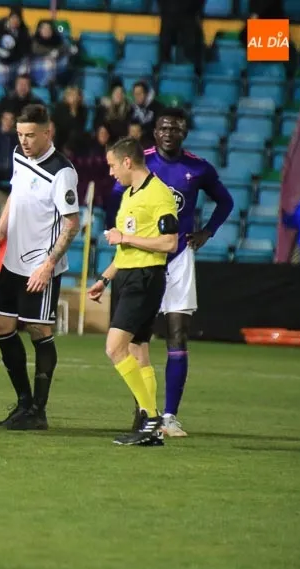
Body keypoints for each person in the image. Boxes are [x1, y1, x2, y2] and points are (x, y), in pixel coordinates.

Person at [104, 108, 234, 437]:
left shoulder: (197, 168)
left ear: (184, 132)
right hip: (141, 262)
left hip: (176, 259)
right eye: (163, 128)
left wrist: (207, 231)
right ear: (154, 131)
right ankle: (145, 413)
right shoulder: (139, 163)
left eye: (175, 129)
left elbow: (226, 202)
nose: (168, 133)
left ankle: (169, 415)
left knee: (177, 334)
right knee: (137, 342)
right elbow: (116, 200)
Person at [0, 104, 80, 431]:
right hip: (13, 261)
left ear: (47, 132)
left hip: (41, 264)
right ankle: (24, 402)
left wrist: (48, 265)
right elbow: (16, 194)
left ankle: (39, 409)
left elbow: (72, 224)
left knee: (39, 330)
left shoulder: (62, 171)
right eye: (20, 135)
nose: (23, 141)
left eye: (30, 135)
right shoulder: (18, 155)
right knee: (1, 328)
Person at [87, 137, 178, 447]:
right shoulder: (128, 195)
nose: (111, 172)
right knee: (138, 351)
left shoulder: (159, 194)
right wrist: (105, 278)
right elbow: (125, 249)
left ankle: (151, 417)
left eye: (113, 165)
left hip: (145, 278)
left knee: (114, 348)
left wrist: (125, 236)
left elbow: (170, 243)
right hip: (128, 276)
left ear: (128, 162)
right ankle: (149, 425)